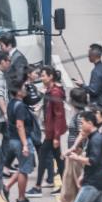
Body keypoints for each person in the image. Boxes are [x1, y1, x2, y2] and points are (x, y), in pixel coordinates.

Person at [4, 82, 38, 202]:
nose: (26, 90)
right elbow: (20, 125)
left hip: (13, 140)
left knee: (23, 166)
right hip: (21, 140)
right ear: (18, 92)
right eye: (23, 88)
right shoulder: (20, 107)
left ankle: (7, 186)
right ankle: (21, 199)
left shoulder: (11, 103)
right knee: (24, 170)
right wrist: (25, 145)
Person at [35, 65, 66, 193]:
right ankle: (65, 185)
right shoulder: (50, 91)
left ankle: (37, 186)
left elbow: (59, 116)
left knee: (43, 155)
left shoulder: (55, 93)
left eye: (43, 75)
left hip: (52, 132)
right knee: (58, 159)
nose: (41, 78)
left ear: (50, 76)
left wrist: (56, 137)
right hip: (51, 131)